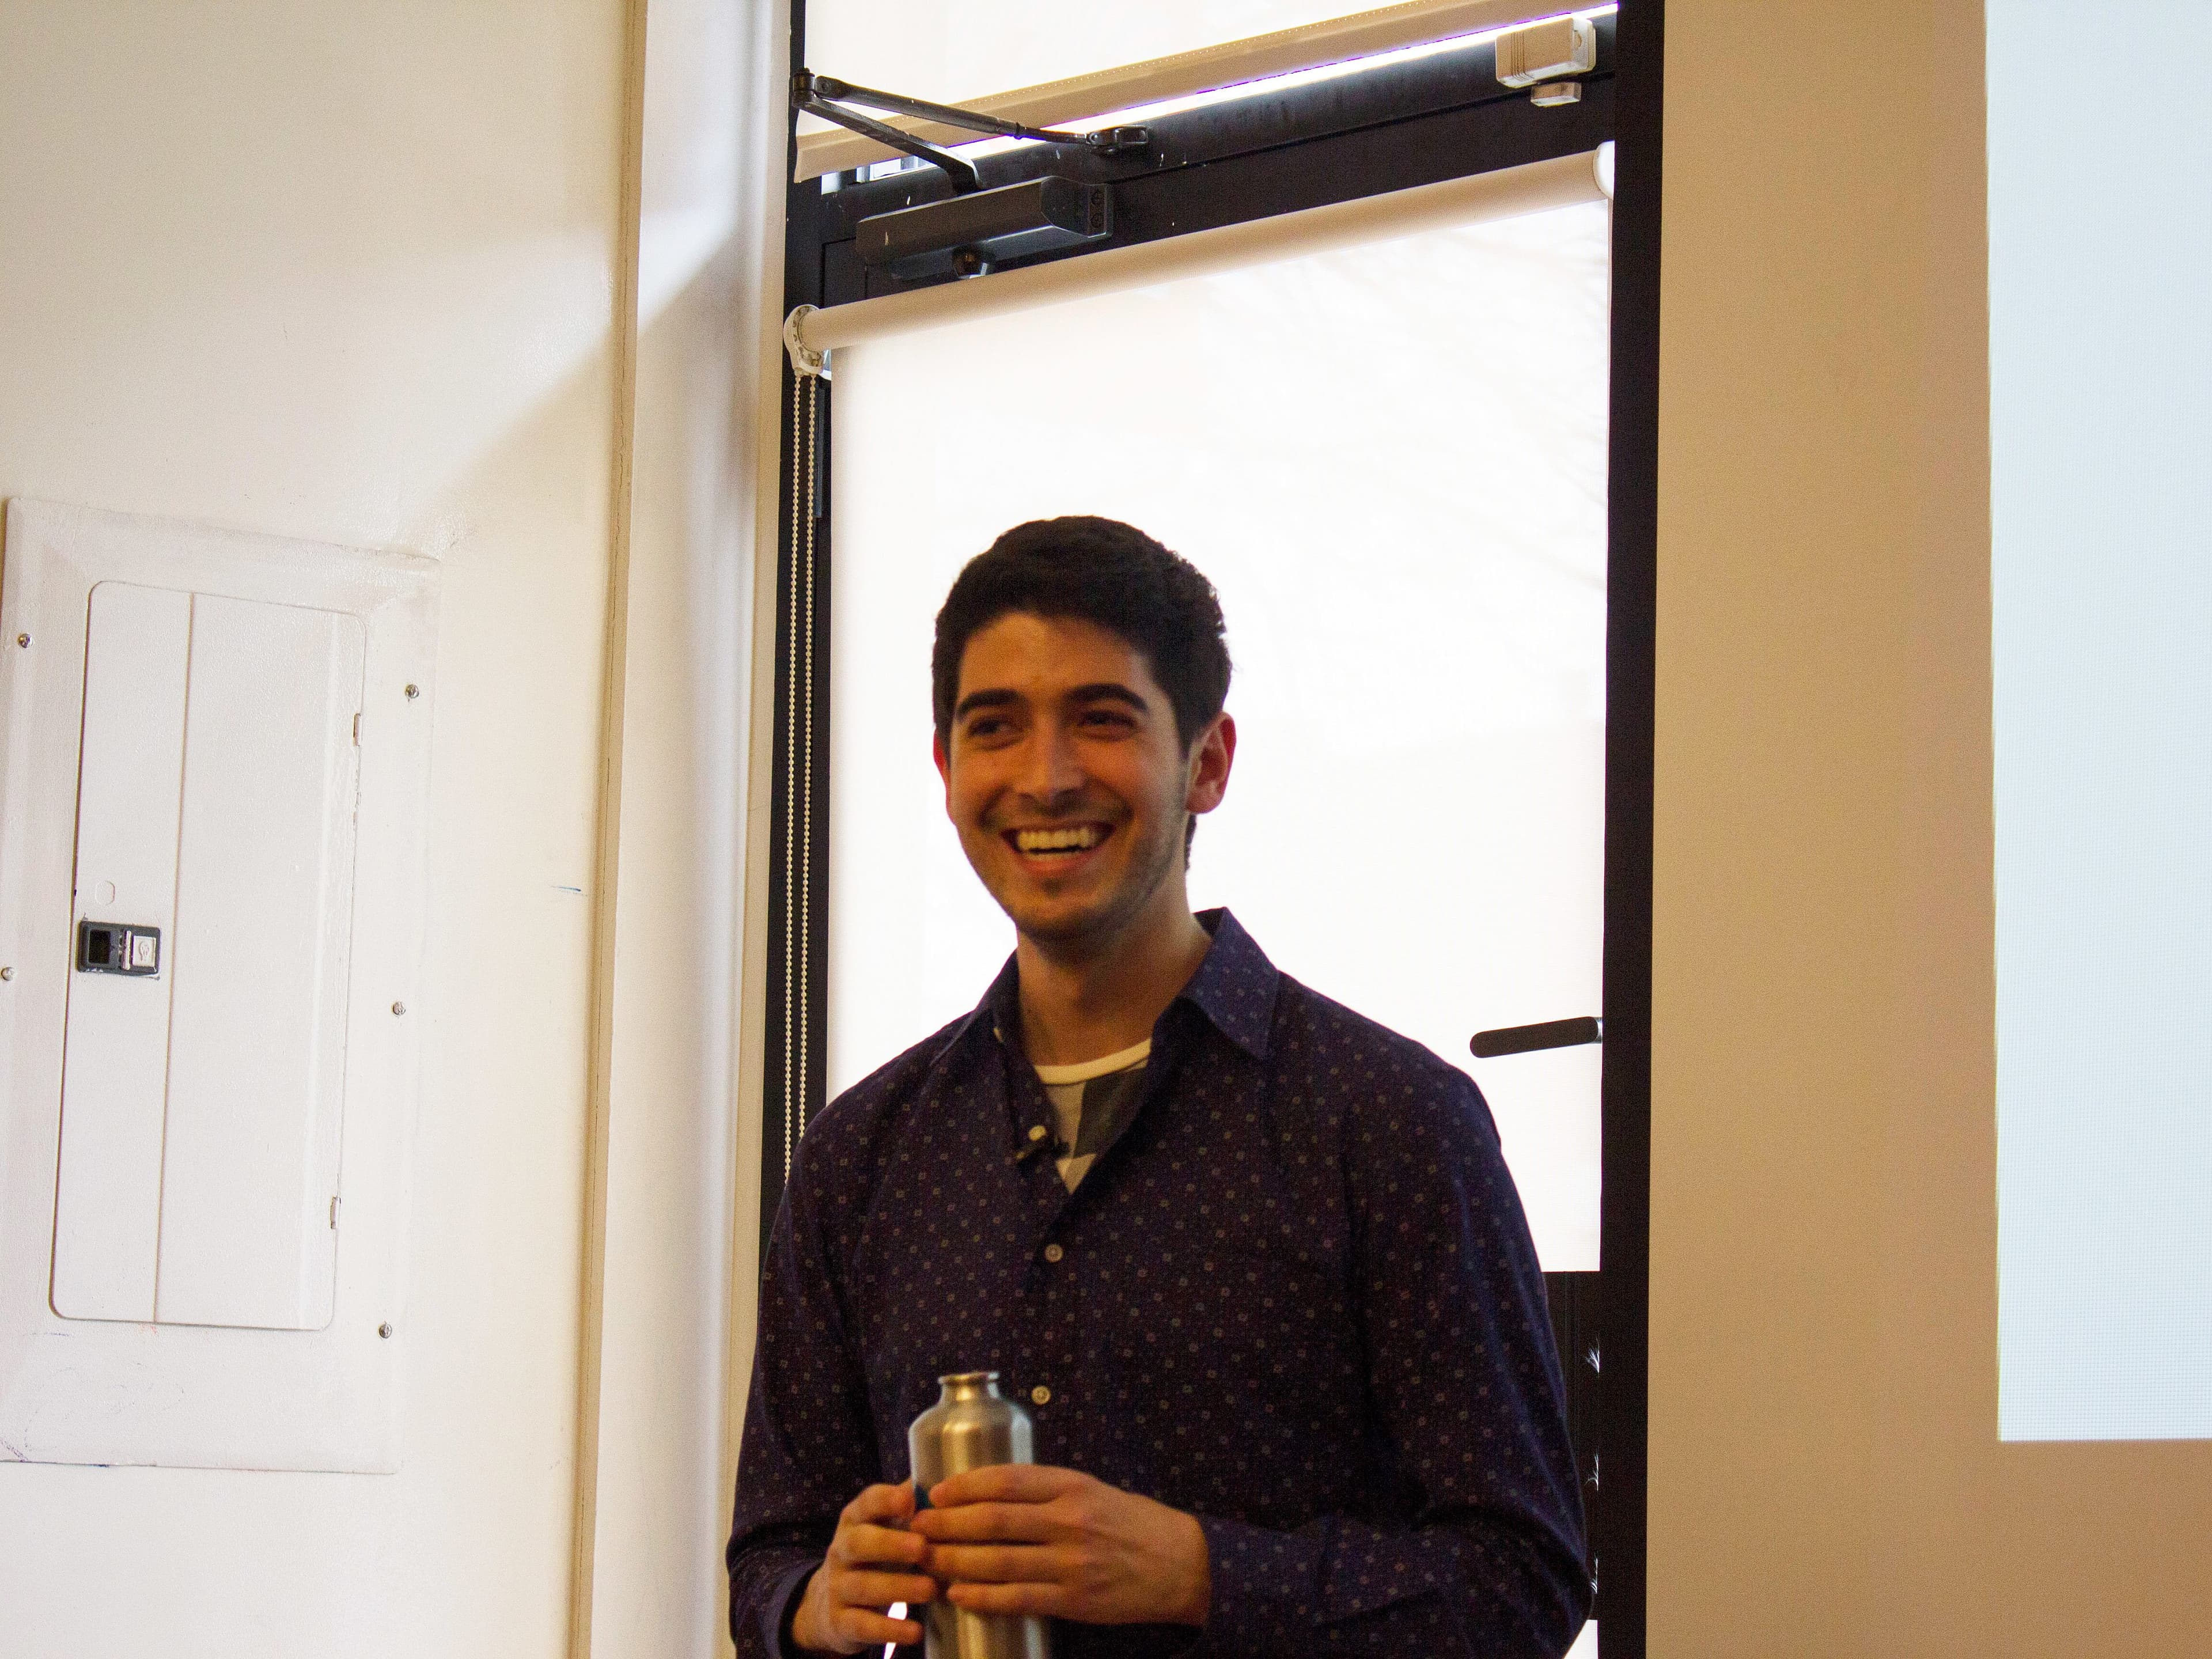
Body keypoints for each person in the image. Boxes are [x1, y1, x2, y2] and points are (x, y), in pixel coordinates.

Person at [728, 516, 1589, 1658]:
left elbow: (1522, 1584)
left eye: (1103, 718)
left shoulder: (1391, 1121)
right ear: (946, 772)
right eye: (996, 728)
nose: (1045, 777)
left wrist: (1197, 1572)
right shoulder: (861, 1155)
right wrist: (813, 1603)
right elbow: (769, 1554)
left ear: (1208, 761)